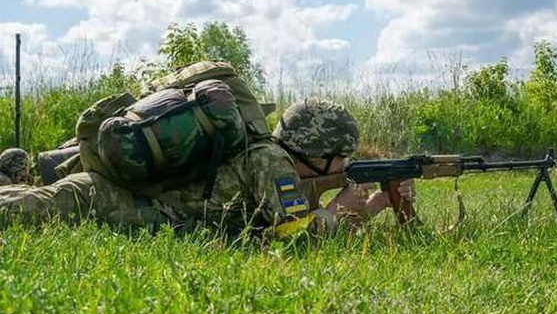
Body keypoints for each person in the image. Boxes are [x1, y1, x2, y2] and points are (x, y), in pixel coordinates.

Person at [0, 98, 413, 238]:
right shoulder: (274, 163)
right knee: (24, 209)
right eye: (340, 156)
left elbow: (283, 224)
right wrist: (345, 211)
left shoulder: (271, 154)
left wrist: (373, 206)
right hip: (121, 200)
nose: (343, 164)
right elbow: (292, 239)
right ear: (315, 152)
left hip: (139, 199)